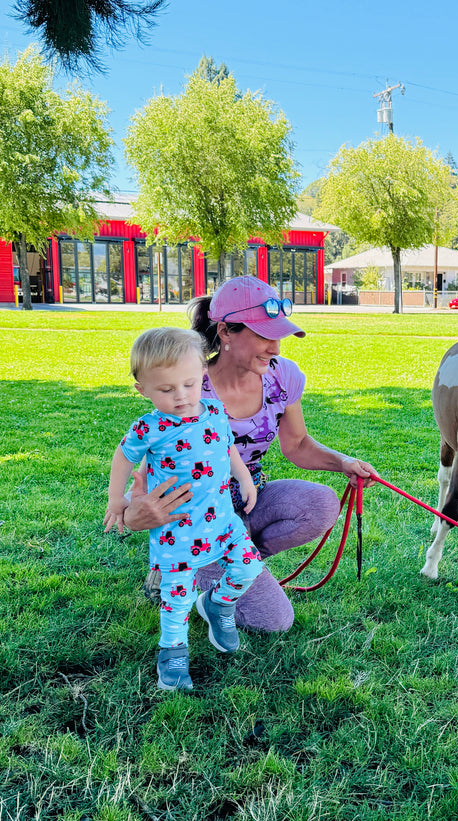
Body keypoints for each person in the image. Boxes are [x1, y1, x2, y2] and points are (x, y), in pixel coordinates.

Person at [122, 276, 376, 633]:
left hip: (246, 499)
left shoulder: (282, 377)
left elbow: (298, 444)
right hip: (201, 522)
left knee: (320, 503)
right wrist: (133, 514)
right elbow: (150, 470)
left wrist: (344, 463)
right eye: (263, 336)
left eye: (278, 336)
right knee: (275, 622)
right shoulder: (189, 388)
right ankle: (184, 570)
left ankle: (238, 563)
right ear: (225, 332)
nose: (276, 348)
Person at [105, 327, 263, 691]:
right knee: (176, 599)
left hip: (223, 520)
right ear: (142, 389)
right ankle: (172, 655)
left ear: (202, 376)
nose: (181, 397)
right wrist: (117, 499)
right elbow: (123, 457)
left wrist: (244, 478)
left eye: (189, 385)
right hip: (178, 531)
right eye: (166, 389)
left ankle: (219, 604)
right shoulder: (149, 427)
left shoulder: (213, 410)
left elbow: (227, 446)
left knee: (249, 566)